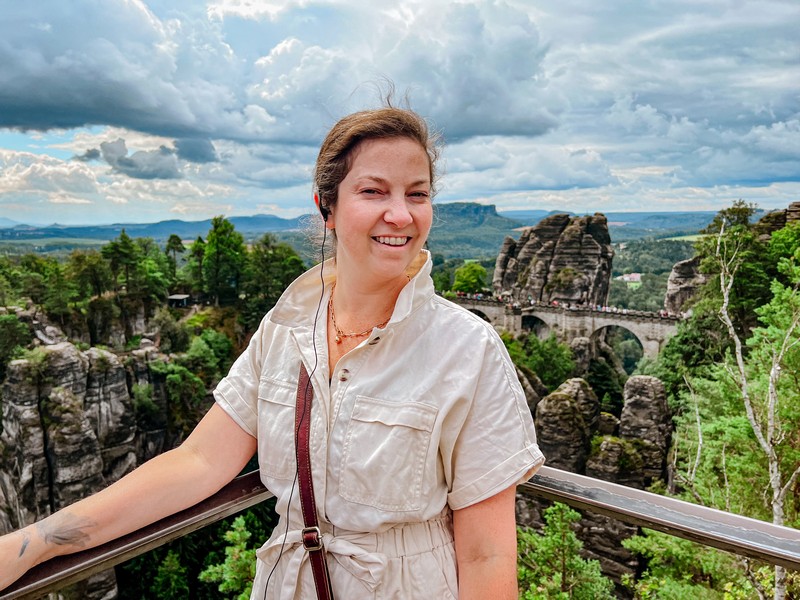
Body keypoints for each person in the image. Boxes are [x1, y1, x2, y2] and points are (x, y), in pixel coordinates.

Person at [0, 104, 544, 599]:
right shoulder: (285, 332)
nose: (400, 215)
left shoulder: (468, 350)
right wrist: (34, 544)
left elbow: (487, 554)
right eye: (374, 191)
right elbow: (198, 463)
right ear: (327, 207)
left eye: (417, 193)